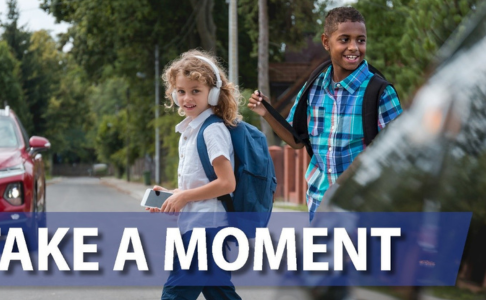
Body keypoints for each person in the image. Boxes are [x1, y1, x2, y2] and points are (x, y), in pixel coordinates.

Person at [248, 6, 403, 221]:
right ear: (326, 42)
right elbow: (295, 139)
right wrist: (266, 112)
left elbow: (400, 155)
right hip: (319, 203)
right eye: (344, 39)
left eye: (361, 40)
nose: (354, 47)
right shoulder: (313, 87)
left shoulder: (380, 92)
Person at [147, 49, 242, 300]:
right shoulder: (190, 130)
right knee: (219, 293)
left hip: (206, 229)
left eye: (195, 91)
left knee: (175, 294)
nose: (187, 98)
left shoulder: (212, 131)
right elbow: (200, 184)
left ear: (212, 93)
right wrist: (172, 196)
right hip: (197, 227)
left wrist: (185, 197)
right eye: (181, 91)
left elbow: (226, 183)